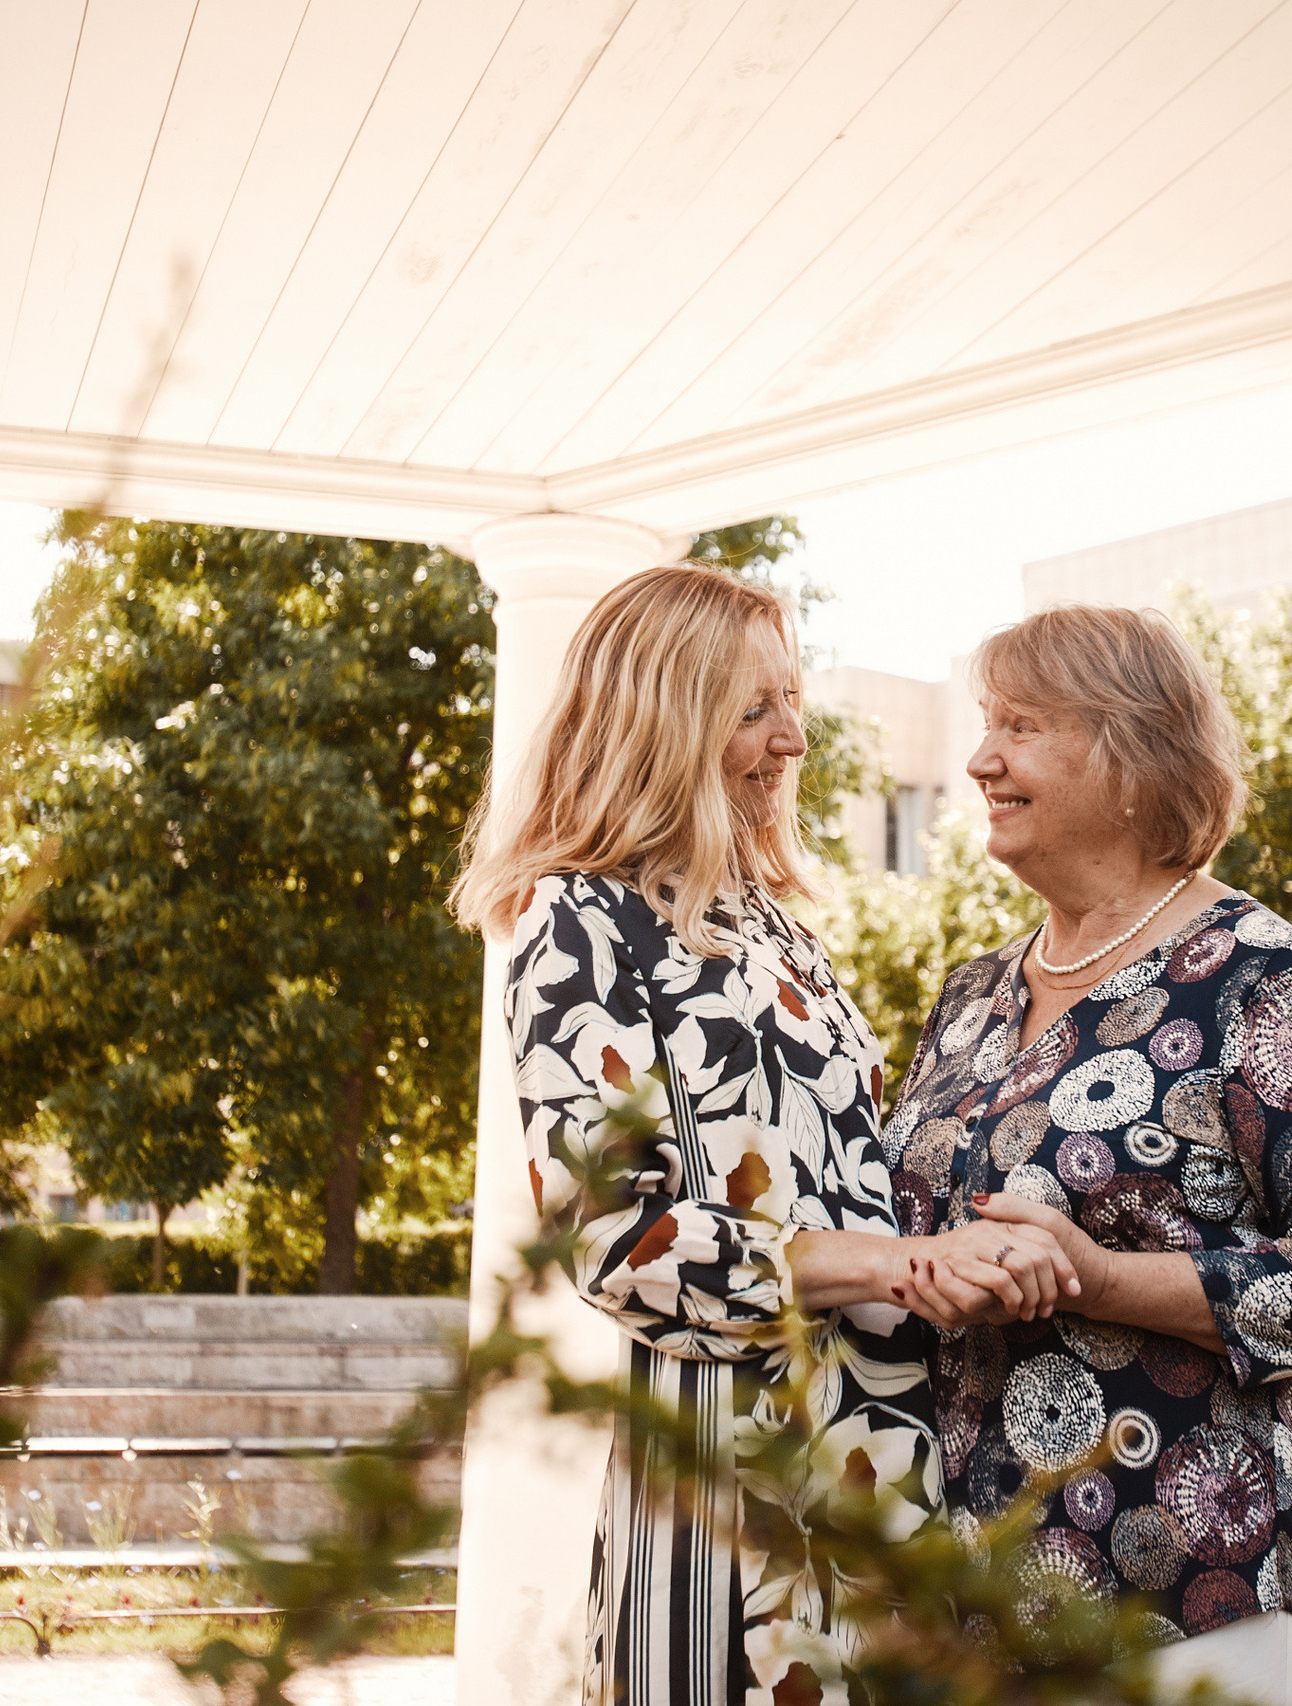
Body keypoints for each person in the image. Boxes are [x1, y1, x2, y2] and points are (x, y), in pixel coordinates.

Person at [453, 566, 1070, 1706]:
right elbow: (615, 1240)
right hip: (725, 1478)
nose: (792, 738)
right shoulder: (577, 917)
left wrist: (982, 1241)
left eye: (789, 701)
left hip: (884, 1456)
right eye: (751, 709)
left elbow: (852, 1185)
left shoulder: (775, 924)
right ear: (659, 722)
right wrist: (895, 1262)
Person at [887, 604, 1292, 1706]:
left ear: (1133, 755)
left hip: (1188, 1588)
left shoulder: (1256, 977)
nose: (982, 759)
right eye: (986, 724)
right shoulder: (970, 995)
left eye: (1021, 725)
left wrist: (1098, 1275)